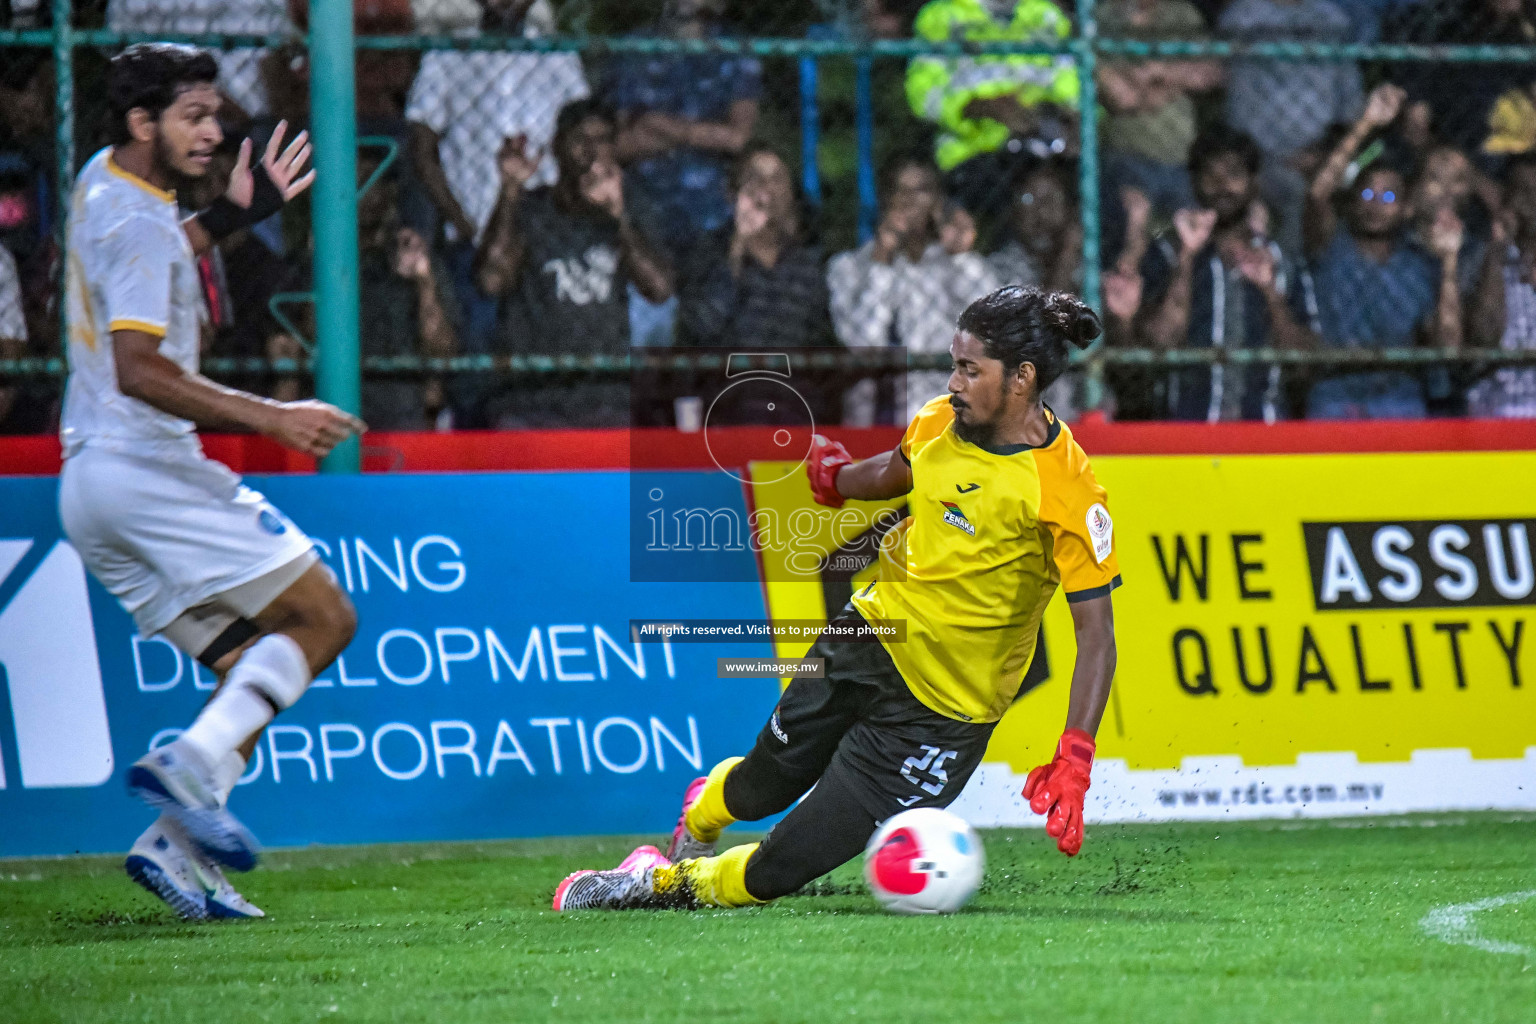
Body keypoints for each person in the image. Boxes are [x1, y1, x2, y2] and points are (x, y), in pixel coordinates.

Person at [551, 286, 1121, 912]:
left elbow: (1096, 635)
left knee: (782, 866)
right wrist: (837, 480)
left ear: (1022, 377)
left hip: (945, 715)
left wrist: (1076, 755)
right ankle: (704, 813)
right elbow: (897, 471)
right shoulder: (939, 421)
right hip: (868, 639)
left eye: (969, 368)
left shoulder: (1066, 489)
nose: (953, 382)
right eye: (953, 364)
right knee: (762, 787)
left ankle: (655, 881)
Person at [57, 44, 361, 921]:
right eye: (193, 115)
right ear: (140, 123)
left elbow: (140, 260)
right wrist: (274, 417)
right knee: (325, 618)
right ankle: (186, 770)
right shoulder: (145, 223)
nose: (216, 131)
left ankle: (175, 847)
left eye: (215, 113)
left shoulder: (101, 184)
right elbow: (140, 368)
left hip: (88, 490)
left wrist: (227, 220)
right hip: (147, 472)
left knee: (248, 674)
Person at [475, 99, 673, 426]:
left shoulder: (631, 209)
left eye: (604, 140)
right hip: (529, 395)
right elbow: (491, 280)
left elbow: (659, 289)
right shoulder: (531, 208)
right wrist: (510, 189)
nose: (593, 151)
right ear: (557, 148)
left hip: (605, 394)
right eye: (581, 140)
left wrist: (618, 216)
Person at [1304, 84, 1465, 418]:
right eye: (1366, 194)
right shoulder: (1332, 247)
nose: (1375, 205)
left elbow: (1449, 347)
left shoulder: (1420, 266)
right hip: (1335, 387)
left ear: (1407, 208)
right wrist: (1367, 123)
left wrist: (1449, 262)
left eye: (1389, 197)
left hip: (1398, 391)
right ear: (1350, 201)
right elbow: (1318, 193)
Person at [1138, 127, 1318, 422]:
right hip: (1185, 430)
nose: (1221, 186)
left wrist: (1270, 292)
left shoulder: (1283, 262)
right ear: (1195, 184)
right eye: (1210, 175)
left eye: (1233, 174)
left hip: (1265, 430)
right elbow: (1160, 343)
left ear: (1254, 184)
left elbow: (1303, 365)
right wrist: (1186, 259)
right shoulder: (1168, 255)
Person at [828, 155, 1001, 424]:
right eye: (900, 190)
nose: (908, 201)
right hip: (874, 422)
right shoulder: (849, 266)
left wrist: (959, 256)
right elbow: (864, 344)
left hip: (949, 418)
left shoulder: (957, 266)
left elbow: (994, 327)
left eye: (921, 190)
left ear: (938, 202)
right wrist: (882, 261)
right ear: (885, 199)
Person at [404, 0, 590, 246]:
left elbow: (583, 131)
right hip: (472, 228)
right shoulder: (448, 52)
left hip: (546, 231)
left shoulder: (557, 54)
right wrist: (463, 225)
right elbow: (422, 148)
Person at [604, 0, 762, 258]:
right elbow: (619, 143)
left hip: (714, 213)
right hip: (643, 209)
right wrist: (705, 135)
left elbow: (738, 138)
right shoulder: (634, 48)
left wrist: (659, 126)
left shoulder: (736, 48)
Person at [905, 0, 1080, 223]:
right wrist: (978, 106)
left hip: (1043, 149)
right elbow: (922, 96)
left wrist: (1061, 115)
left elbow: (1072, 89)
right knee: (1026, 197)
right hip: (972, 154)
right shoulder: (941, 16)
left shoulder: (1046, 15)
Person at [1220, 0, 1362, 257]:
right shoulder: (1244, 15)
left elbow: (1350, 106)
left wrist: (1323, 155)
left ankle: (1301, 283)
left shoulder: (1332, 19)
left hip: (1318, 156)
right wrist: (1253, 158)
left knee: (1320, 196)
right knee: (1282, 197)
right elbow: (1229, 96)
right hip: (1253, 154)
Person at [677, 145, 831, 349]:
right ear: (733, 193)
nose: (766, 189)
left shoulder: (806, 261)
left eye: (777, 178)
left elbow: (819, 339)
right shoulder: (708, 252)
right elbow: (702, 326)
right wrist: (738, 248)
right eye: (755, 178)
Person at [1095, 0, 1222, 218]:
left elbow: (1211, 74)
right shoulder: (1102, 16)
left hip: (1183, 157)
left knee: (1198, 233)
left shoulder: (1180, 11)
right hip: (1127, 156)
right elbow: (1125, 99)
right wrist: (1179, 73)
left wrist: (1154, 71)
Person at [1468, 154, 1536, 416]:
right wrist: (1498, 249)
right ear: (1506, 200)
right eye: (1524, 192)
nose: (1533, 203)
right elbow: (1483, 338)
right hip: (1498, 407)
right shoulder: (1482, 257)